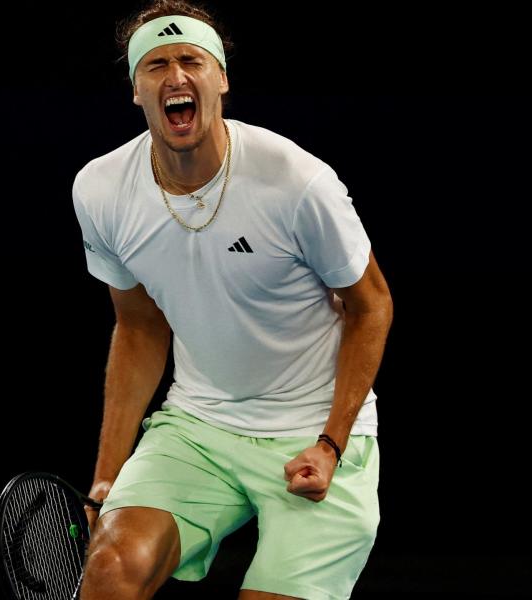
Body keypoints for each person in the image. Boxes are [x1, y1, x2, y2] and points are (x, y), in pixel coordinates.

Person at [71, 2, 393, 598]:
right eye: (156, 64)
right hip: (197, 426)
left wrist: (331, 443)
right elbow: (139, 327)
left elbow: (370, 305)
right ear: (136, 90)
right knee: (111, 570)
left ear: (220, 78)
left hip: (312, 428)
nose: (175, 76)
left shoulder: (298, 182)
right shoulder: (100, 189)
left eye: (192, 59)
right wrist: (107, 477)